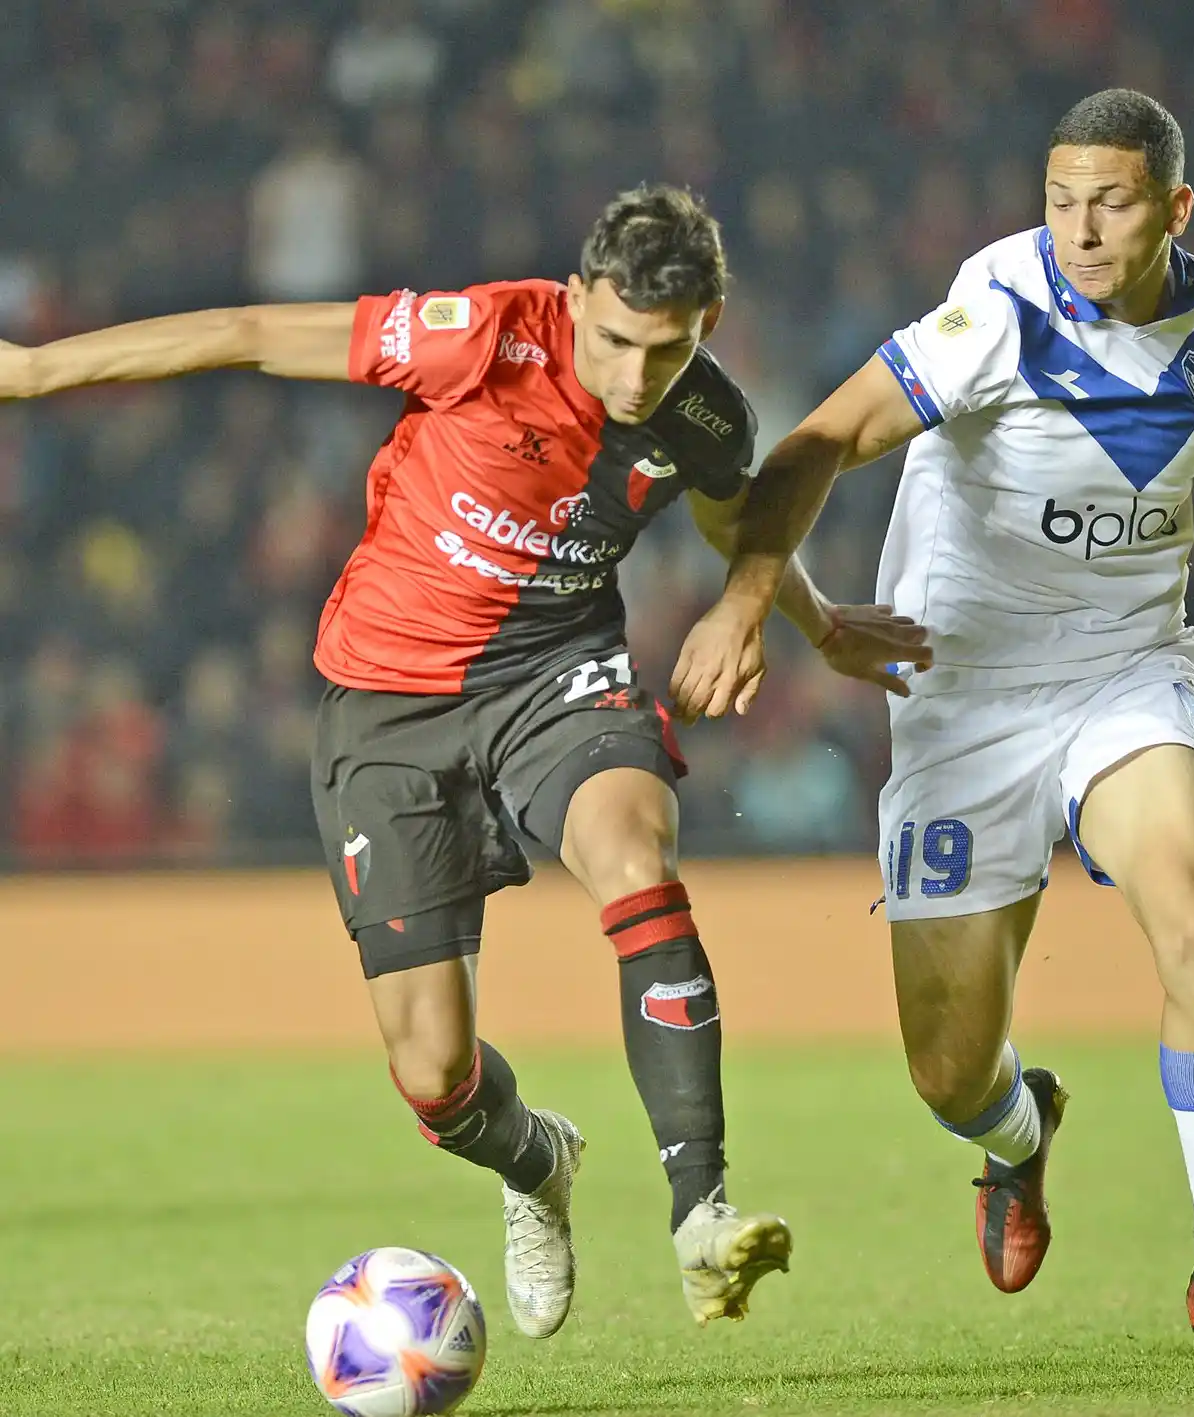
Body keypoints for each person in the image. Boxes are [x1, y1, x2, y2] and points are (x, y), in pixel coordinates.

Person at [0, 184, 927, 1336]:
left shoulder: (705, 417)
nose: (637, 376)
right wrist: (33, 374)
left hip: (558, 670)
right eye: (617, 341)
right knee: (434, 1075)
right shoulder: (482, 335)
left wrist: (811, 622)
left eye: (671, 347)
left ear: (711, 318)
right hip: (383, 705)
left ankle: (703, 1214)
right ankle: (537, 1161)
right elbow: (246, 332)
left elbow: (743, 528)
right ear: (578, 297)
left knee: (635, 859)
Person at [670, 92, 1194, 1380]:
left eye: (1109, 202)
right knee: (948, 1074)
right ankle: (1017, 1138)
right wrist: (749, 601)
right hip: (962, 697)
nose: (1079, 227)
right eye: (1061, 198)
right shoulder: (996, 310)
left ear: (1174, 209)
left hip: (1126, 675)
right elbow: (825, 438)